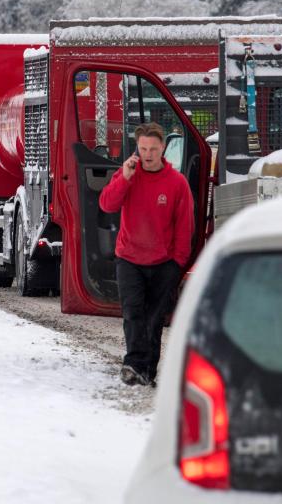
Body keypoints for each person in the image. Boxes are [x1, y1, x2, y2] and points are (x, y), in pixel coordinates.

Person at [99, 122, 194, 387]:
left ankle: (148, 370)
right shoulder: (128, 173)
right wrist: (126, 178)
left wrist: (177, 263)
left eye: (153, 149)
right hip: (129, 258)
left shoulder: (177, 183)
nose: (148, 154)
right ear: (137, 148)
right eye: (143, 148)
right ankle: (133, 364)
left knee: (153, 319)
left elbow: (184, 226)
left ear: (163, 148)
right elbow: (107, 203)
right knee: (133, 313)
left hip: (164, 263)